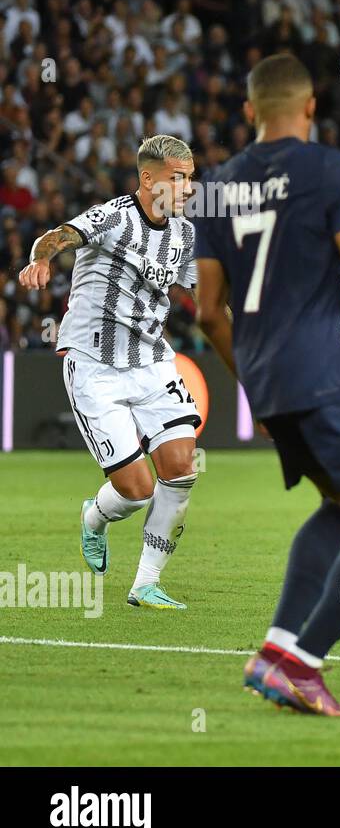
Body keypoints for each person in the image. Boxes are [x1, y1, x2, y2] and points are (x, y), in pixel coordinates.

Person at [195, 54, 340, 716]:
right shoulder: (330, 167)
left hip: (267, 375)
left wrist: (256, 390)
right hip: (326, 366)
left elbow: (209, 312)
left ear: (249, 112)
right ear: (312, 106)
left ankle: (275, 651)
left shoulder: (215, 185)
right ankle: (303, 661)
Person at [18, 135, 201, 609]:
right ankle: (94, 517)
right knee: (136, 490)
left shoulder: (183, 236)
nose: (187, 187)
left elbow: (208, 297)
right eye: (177, 178)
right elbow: (57, 236)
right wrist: (41, 257)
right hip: (95, 366)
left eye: (190, 177)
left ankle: (145, 583)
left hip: (152, 363)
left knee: (181, 467)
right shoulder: (113, 216)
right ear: (147, 179)